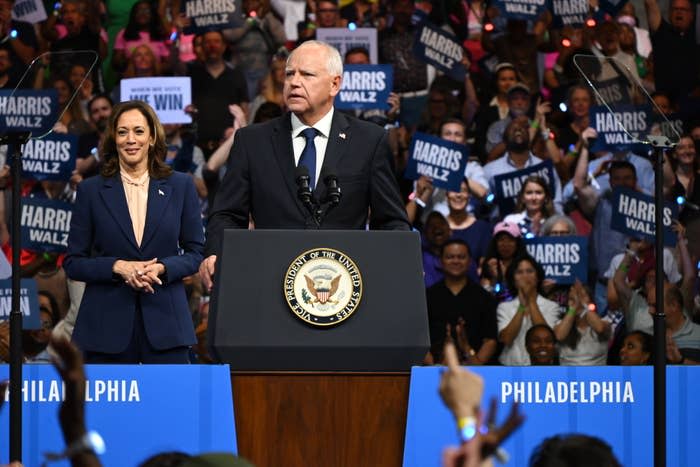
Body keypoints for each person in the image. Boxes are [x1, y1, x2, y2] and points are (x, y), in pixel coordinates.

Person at [200, 40, 409, 291]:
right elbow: (227, 214)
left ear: (335, 84)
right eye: (289, 74)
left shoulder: (369, 141)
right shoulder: (252, 141)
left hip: (345, 288)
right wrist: (215, 252)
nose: (294, 82)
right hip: (269, 283)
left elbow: (390, 220)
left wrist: (398, 262)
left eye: (307, 74)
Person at [64, 100, 204, 363]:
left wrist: (162, 267)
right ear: (113, 138)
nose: (131, 139)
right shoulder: (91, 191)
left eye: (139, 131)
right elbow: (73, 263)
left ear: (152, 137)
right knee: (107, 407)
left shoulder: (181, 186)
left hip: (167, 327)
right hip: (105, 330)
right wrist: (118, 267)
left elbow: (196, 253)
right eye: (122, 132)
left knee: (168, 404)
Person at [426, 239, 498, 365]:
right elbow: (419, 339)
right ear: (440, 261)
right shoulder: (428, 296)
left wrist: (476, 364)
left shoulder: (484, 297)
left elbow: (490, 340)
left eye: (461, 257)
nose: (456, 261)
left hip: (475, 370)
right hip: (434, 369)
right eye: (450, 257)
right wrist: (433, 367)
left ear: (470, 261)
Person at [497, 254, 560, 365]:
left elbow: (547, 336)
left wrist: (531, 301)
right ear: (513, 279)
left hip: (541, 367)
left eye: (530, 271)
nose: (525, 276)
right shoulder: (504, 307)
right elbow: (506, 339)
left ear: (538, 277)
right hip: (510, 368)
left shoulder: (551, 306)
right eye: (519, 272)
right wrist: (521, 307)